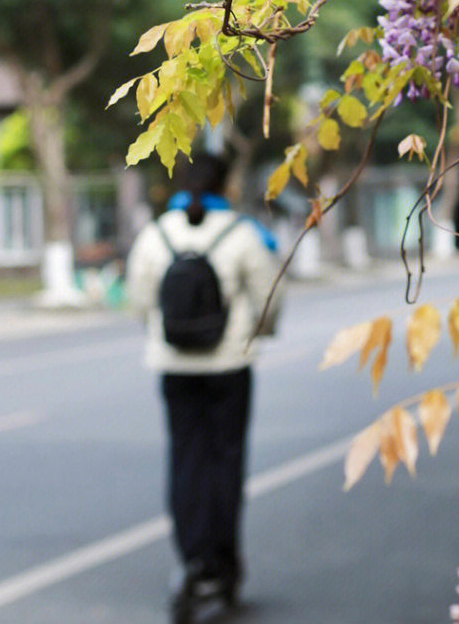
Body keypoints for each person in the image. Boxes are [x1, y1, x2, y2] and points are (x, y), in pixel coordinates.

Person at [125, 150, 281, 623]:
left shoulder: (156, 235)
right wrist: (259, 334)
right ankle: (223, 561)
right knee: (225, 463)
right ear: (227, 186)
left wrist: (164, 336)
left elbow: (138, 301)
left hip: (174, 368)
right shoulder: (242, 234)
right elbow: (269, 300)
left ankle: (191, 558)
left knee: (186, 460)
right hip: (228, 367)